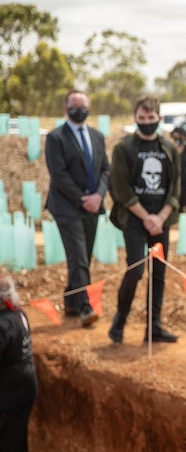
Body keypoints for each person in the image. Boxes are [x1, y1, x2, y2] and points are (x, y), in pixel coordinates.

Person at [108, 94, 181, 344]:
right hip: (134, 221)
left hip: (161, 221)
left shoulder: (170, 149)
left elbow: (175, 189)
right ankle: (120, 318)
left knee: (158, 273)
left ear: (159, 118)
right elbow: (121, 189)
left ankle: (154, 327)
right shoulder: (123, 149)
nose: (146, 121)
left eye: (151, 117)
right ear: (135, 118)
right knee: (136, 269)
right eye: (142, 118)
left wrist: (159, 218)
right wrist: (146, 218)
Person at [44, 89, 110, 327]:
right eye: (74, 105)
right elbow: (58, 174)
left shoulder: (97, 136)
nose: (79, 109)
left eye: (83, 105)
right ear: (66, 108)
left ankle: (71, 301)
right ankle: (85, 307)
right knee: (79, 256)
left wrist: (98, 196)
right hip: (66, 206)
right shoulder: (56, 138)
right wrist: (84, 199)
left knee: (83, 256)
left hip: (93, 205)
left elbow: (105, 169)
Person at [0, 272, 38, 452]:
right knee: (17, 438)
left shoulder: (3, 323)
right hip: (26, 386)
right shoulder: (19, 315)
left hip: (11, 392)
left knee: (5, 445)